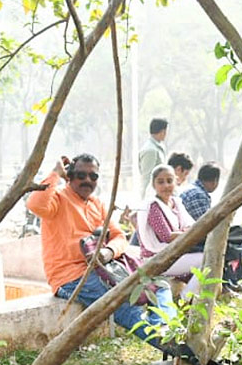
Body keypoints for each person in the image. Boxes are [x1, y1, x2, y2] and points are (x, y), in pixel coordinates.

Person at [27, 153, 171, 346]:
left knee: (160, 285)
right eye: (81, 175)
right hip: (72, 277)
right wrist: (55, 173)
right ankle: (173, 347)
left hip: (105, 269)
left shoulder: (98, 204)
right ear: (69, 176)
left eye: (93, 176)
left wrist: (108, 252)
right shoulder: (58, 200)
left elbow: (119, 236)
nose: (87, 180)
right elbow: (35, 204)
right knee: (125, 307)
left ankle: (167, 332)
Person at [179, 161, 242, 295]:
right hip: (192, 239)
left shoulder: (191, 189)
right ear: (215, 181)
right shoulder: (199, 195)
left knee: (232, 237)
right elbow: (206, 225)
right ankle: (228, 284)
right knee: (228, 244)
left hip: (189, 236)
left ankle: (230, 283)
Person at [141, 164, 204, 294]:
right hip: (158, 259)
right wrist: (189, 233)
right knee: (205, 259)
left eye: (169, 181)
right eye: (160, 182)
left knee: (210, 257)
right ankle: (186, 299)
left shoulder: (176, 203)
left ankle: (189, 298)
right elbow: (166, 236)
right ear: (153, 185)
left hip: (175, 254)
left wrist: (189, 232)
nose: (166, 185)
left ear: (176, 182)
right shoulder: (153, 206)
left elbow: (191, 225)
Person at [137, 118, 169, 194]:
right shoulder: (150, 150)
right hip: (152, 194)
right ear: (162, 132)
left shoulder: (158, 147)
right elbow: (147, 177)